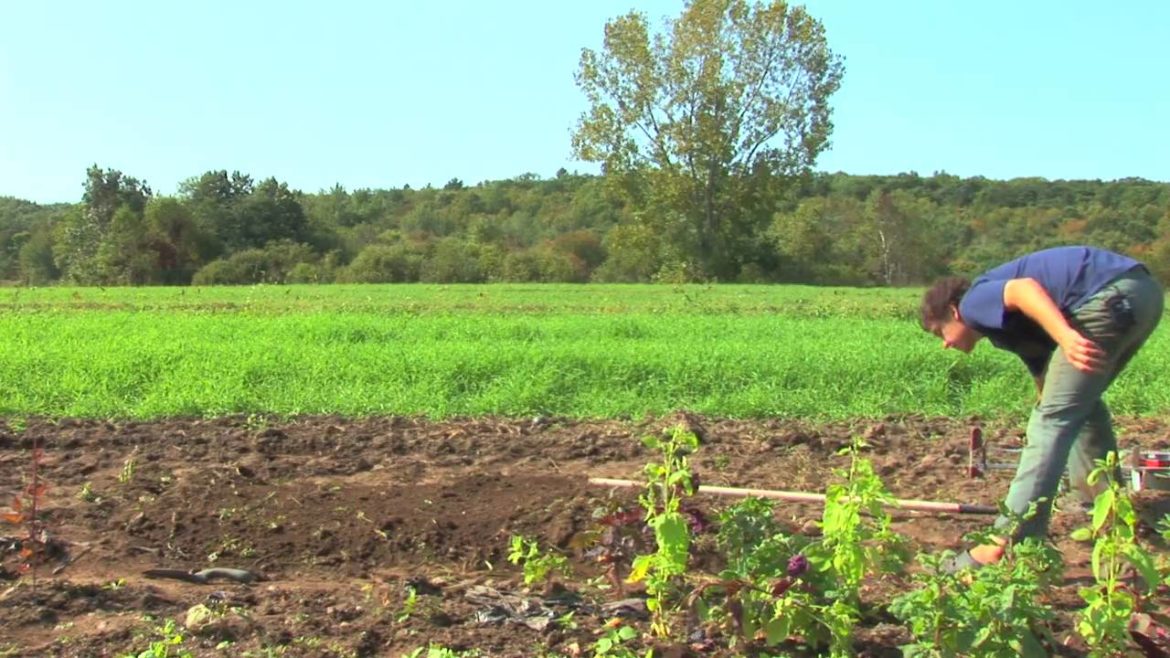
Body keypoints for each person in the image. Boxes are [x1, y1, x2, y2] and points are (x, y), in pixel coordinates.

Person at [919, 245, 1163, 570]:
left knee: (1050, 421)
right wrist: (1046, 391)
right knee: (1081, 410)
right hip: (1144, 293)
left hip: (1107, 296)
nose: (945, 343)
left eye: (941, 331)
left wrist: (1065, 336)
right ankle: (1112, 524)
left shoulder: (974, 302)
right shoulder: (1003, 331)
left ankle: (1002, 543)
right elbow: (1043, 370)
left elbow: (1023, 290)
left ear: (954, 311)